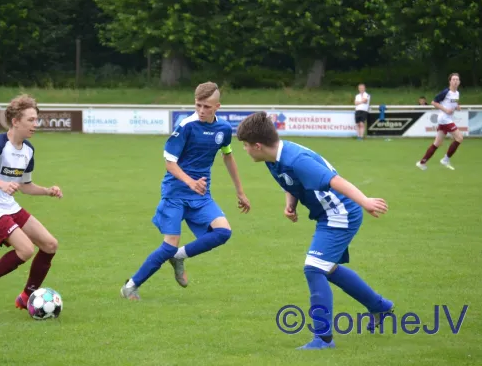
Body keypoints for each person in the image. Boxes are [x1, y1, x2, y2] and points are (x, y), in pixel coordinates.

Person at [236, 112, 392, 350]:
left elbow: (335, 180)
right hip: (327, 214)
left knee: (313, 269)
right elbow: (289, 181)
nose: (245, 150)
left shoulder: (297, 159)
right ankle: (380, 306)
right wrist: (291, 203)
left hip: (341, 214)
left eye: (246, 146)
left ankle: (323, 339)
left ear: (257, 146)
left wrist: (365, 201)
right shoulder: (273, 157)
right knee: (326, 269)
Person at [121, 82, 251, 300]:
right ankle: (130, 286)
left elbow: (227, 156)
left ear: (217, 106)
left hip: (200, 195)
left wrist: (240, 191)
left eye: (207, 107)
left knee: (223, 232)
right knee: (168, 245)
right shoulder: (186, 126)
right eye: (198, 105)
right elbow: (169, 163)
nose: (201, 111)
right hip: (175, 193)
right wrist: (191, 182)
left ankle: (179, 257)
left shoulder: (224, 130)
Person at [0, 94, 63, 313]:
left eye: (36, 120)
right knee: (25, 249)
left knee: (50, 244)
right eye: (30, 120)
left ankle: (27, 296)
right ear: (15, 121)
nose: (35, 124)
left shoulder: (28, 150)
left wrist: (48, 191)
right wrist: (2, 185)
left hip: (7, 205)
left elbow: (25, 185)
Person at [416, 73, 463, 171]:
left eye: (457, 80)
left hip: (445, 119)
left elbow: (454, 103)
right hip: (444, 118)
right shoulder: (446, 92)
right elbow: (434, 102)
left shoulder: (457, 93)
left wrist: (457, 107)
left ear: (459, 82)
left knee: (437, 143)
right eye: (453, 79)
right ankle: (445, 160)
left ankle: (422, 162)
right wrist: (445, 110)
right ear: (450, 81)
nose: (455, 81)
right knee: (459, 138)